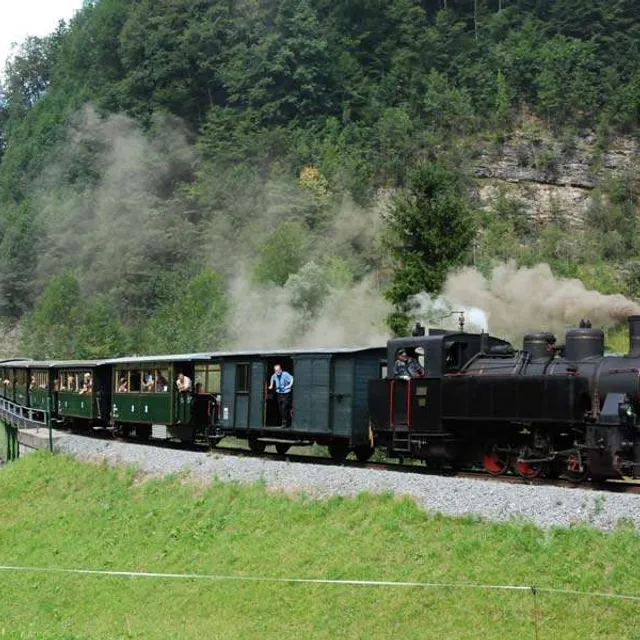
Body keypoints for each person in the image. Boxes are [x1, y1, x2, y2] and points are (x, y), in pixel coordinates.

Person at [268, 364, 294, 428]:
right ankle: (286, 421)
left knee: (284, 407)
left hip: (286, 393)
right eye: (276, 370)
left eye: (279, 370)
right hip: (279, 394)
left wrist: (290, 385)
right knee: (281, 409)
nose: (278, 371)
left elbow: (292, 378)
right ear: (275, 371)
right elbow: (272, 378)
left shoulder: (285, 374)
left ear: (281, 369)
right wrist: (271, 385)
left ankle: (285, 423)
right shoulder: (274, 375)